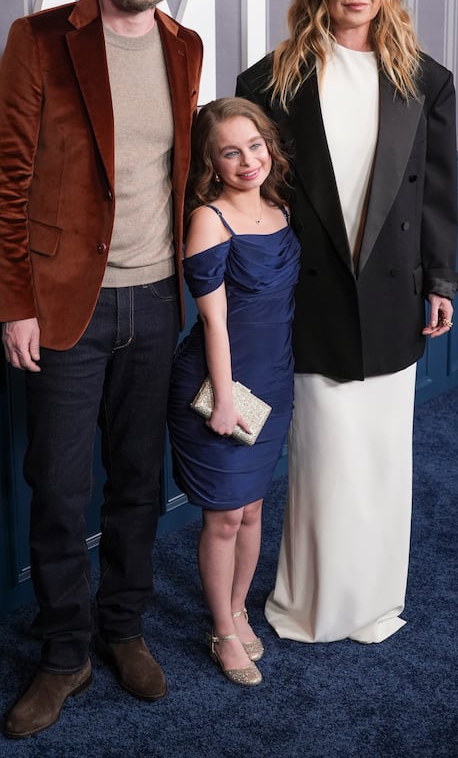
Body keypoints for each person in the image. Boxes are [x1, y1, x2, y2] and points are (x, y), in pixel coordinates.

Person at [0, 0, 203, 738]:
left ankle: (124, 630)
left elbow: (177, 176)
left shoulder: (184, 46)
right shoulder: (39, 40)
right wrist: (16, 305)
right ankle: (65, 653)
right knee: (61, 492)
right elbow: (5, 184)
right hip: (64, 311)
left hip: (157, 303)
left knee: (139, 486)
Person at [236, 0, 458, 645]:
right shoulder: (270, 80)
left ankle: (372, 600)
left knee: (382, 455)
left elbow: (434, 193)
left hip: (396, 290)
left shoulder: (424, 80)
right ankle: (308, 602)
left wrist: (441, 282)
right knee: (325, 457)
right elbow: (252, 192)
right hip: (312, 293)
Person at [167, 97, 300, 684]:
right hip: (218, 384)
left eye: (255, 145)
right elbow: (214, 325)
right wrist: (223, 398)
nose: (248, 160)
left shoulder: (280, 209)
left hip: (273, 379)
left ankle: (239, 608)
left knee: (251, 510)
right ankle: (221, 628)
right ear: (212, 163)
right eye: (230, 152)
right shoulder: (208, 220)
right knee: (223, 518)